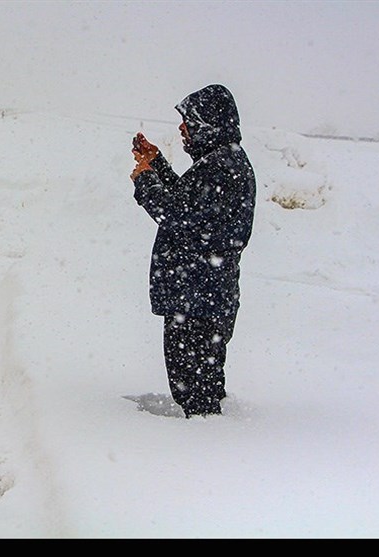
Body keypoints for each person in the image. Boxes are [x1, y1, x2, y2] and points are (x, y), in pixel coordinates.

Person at [130, 84, 256, 418]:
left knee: (196, 394)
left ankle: (203, 452)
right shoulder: (221, 162)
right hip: (203, 296)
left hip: (198, 300)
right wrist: (156, 164)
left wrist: (145, 182)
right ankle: (209, 439)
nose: (183, 129)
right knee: (202, 384)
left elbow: (178, 216)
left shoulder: (222, 167)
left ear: (209, 123)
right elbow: (189, 203)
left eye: (189, 122)